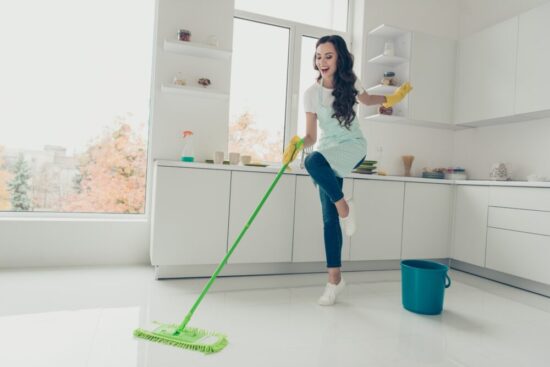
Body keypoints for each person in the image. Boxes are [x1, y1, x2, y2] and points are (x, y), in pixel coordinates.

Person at [282, 35, 412, 306]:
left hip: (353, 146)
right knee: (328, 219)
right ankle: (335, 281)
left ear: (339, 58)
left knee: (312, 164)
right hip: (326, 152)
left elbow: (368, 99)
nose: (322, 62)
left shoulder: (350, 82)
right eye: (318, 57)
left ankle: (345, 207)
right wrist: (297, 143)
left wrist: (394, 97)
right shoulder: (310, 94)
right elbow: (310, 136)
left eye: (328, 56)